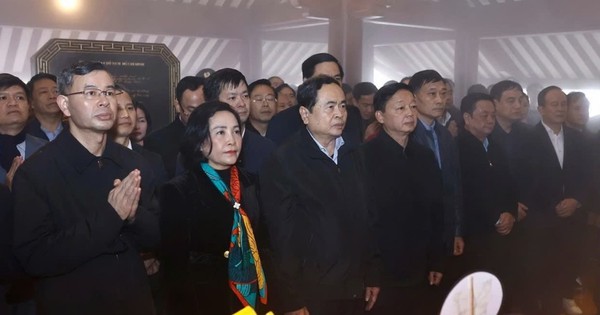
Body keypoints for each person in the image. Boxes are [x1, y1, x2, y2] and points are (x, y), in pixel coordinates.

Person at [11, 61, 159, 315]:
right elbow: (34, 258)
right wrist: (110, 217)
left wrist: (134, 216)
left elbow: (158, 236)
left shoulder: (134, 163)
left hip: (135, 301)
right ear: (65, 105)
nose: (104, 101)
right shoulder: (38, 171)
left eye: (109, 92)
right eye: (91, 93)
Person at [260, 75, 380, 315]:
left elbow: (369, 218)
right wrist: (291, 299)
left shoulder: (354, 153)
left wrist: (372, 274)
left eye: (343, 106)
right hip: (313, 292)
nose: (339, 114)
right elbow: (281, 238)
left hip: (354, 287)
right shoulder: (284, 161)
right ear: (305, 114)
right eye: (330, 107)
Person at [160, 101, 267, 314]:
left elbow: (266, 244)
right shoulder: (179, 190)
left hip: (254, 296)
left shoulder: (252, 182)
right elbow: (175, 267)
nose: (231, 139)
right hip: (205, 301)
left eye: (236, 131)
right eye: (220, 132)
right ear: (199, 141)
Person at [362, 83, 443, 314]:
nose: (409, 113)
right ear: (380, 115)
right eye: (400, 108)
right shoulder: (365, 157)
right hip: (383, 268)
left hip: (420, 265)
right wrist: (371, 273)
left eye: (413, 107)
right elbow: (364, 221)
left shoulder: (424, 155)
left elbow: (437, 210)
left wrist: (436, 259)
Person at [520, 86, 589, 315]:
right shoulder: (528, 139)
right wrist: (553, 206)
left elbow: (589, 176)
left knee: (568, 265)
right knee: (542, 271)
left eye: (563, 104)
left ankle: (564, 299)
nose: (560, 108)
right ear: (540, 109)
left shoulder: (579, 139)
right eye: (554, 104)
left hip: (573, 219)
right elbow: (525, 181)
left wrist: (576, 200)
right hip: (542, 219)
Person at [456, 93, 517, 311]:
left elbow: (510, 185)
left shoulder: (495, 146)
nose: (490, 120)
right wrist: (495, 216)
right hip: (475, 232)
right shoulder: (458, 148)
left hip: (502, 231)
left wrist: (510, 212)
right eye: (484, 115)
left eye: (492, 115)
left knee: (500, 286)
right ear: (467, 117)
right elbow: (467, 192)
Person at [266, 53, 363, 146]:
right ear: (306, 82)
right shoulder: (282, 122)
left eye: (337, 79)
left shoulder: (352, 116)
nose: (332, 84)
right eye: (324, 79)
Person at [203, 68, 275, 175]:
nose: (242, 103)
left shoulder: (266, 148)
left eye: (245, 96)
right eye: (232, 98)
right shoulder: (200, 147)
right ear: (214, 103)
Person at [145, 76, 205, 178]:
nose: (198, 115)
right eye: (191, 110)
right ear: (177, 105)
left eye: (203, 108)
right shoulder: (157, 141)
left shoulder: (219, 136)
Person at [0, 74, 47, 187]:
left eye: (20, 97)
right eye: (3, 98)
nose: (13, 103)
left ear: (29, 106)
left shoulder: (47, 149)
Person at [26, 73, 67, 141]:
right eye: (44, 92)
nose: (52, 96)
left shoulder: (75, 132)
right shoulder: (23, 135)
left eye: (56, 91)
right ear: (31, 102)